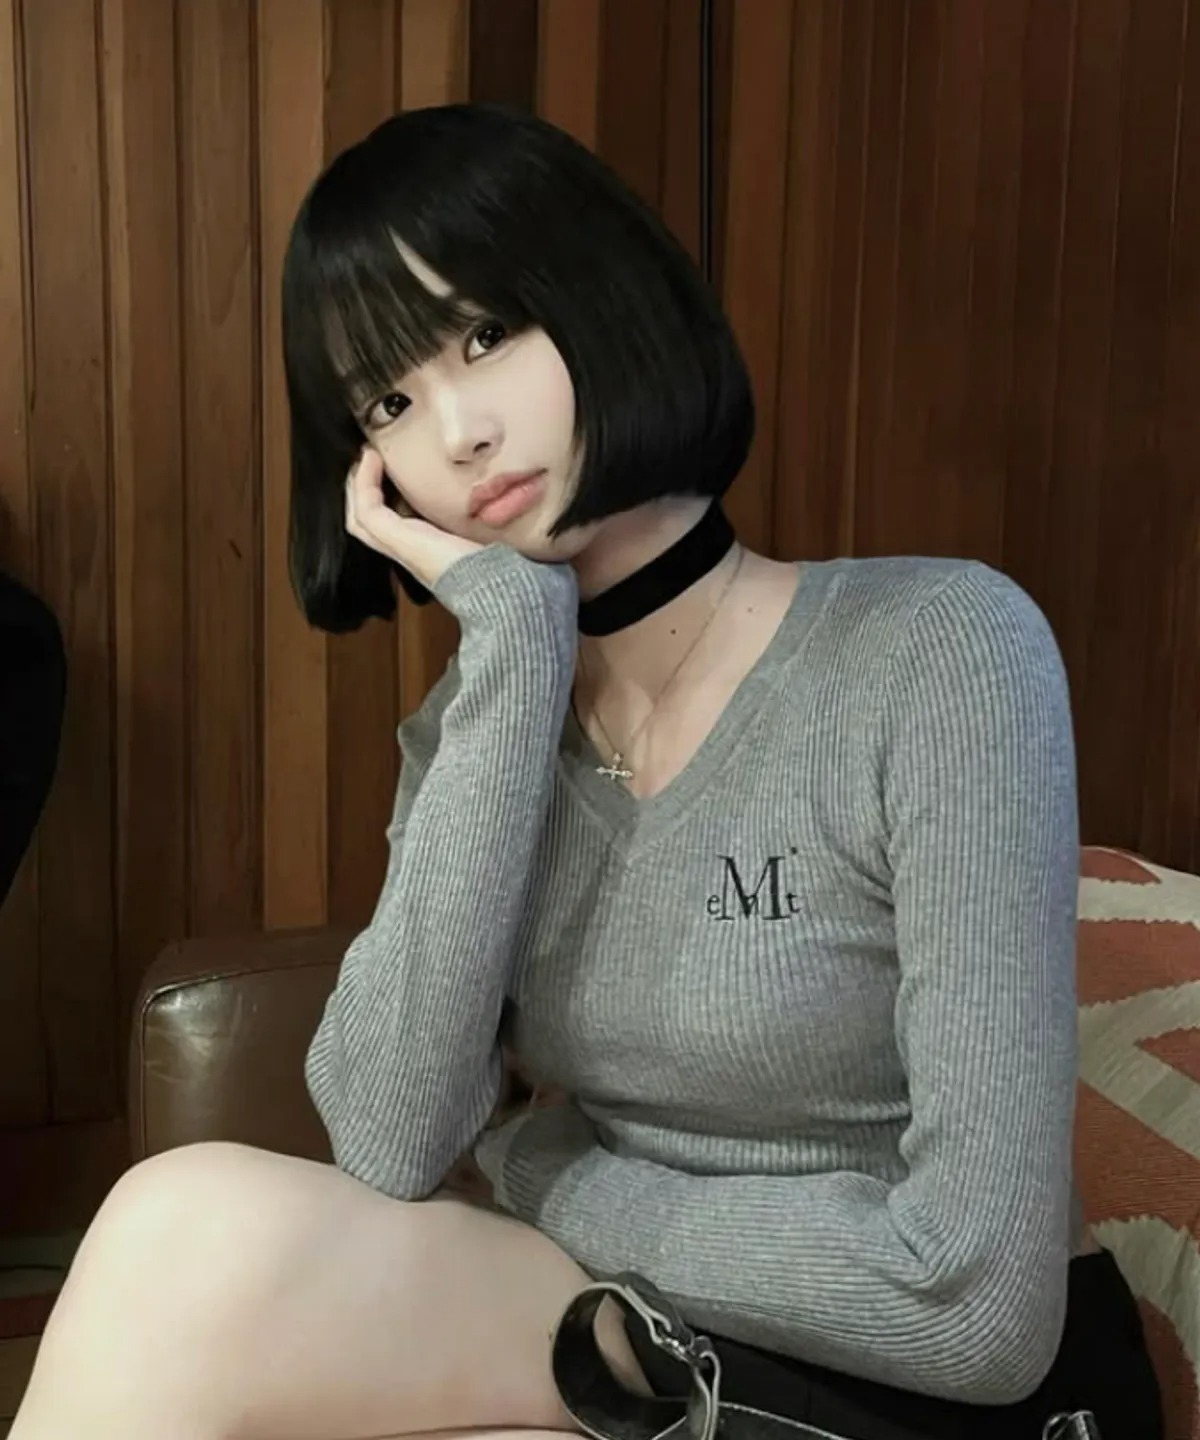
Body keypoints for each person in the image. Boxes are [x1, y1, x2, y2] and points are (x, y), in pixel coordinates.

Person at [10, 104, 1161, 1440]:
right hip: (652, 1336)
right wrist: (510, 649)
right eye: (389, 402)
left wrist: (543, 1168)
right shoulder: (478, 730)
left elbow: (978, 1311)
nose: (458, 432)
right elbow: (387, 1140)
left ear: (602, 292)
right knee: (175, 1220)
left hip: (948, 1393)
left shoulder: (941, 647)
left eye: (486, 334)